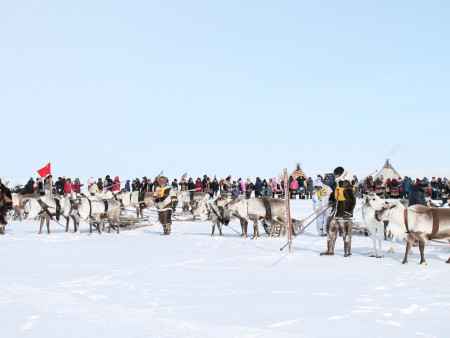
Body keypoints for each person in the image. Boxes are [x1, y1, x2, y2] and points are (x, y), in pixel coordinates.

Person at [320, 166, 356, 257]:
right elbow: (334, 194)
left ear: (339, 175)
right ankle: (330, 250)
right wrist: (331, 199)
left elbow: (351, 200)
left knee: (346, 233)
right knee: (331, 230)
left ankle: (347, 252)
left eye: (335, 175)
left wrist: (348, 212)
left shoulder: (346, 185)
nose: (334, 176)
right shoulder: (338, 184)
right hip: (335, 212)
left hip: (344, 214)